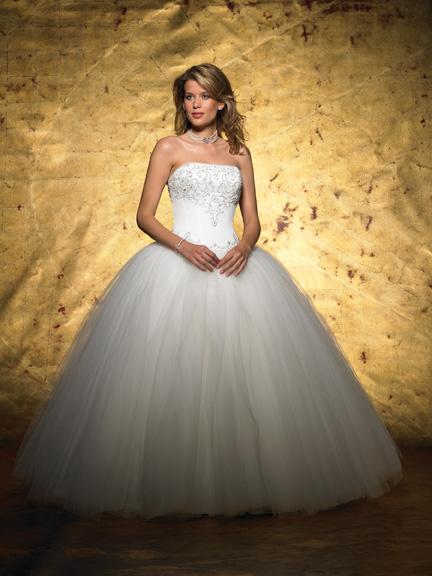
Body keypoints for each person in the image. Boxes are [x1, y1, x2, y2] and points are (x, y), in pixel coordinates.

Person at [12, 63, 403, 521]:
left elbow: (252, 219)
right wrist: (184, 246)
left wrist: (245, 246)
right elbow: (145, 215)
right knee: (173, 376)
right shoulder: (168, 147)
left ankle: (246, 483)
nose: (195, 104)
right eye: (189, 96)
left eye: (204, 96)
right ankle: (171, 483)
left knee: (249, 378)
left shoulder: (239, 152)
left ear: (221, 102)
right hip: (178, 264)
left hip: (234, 266)